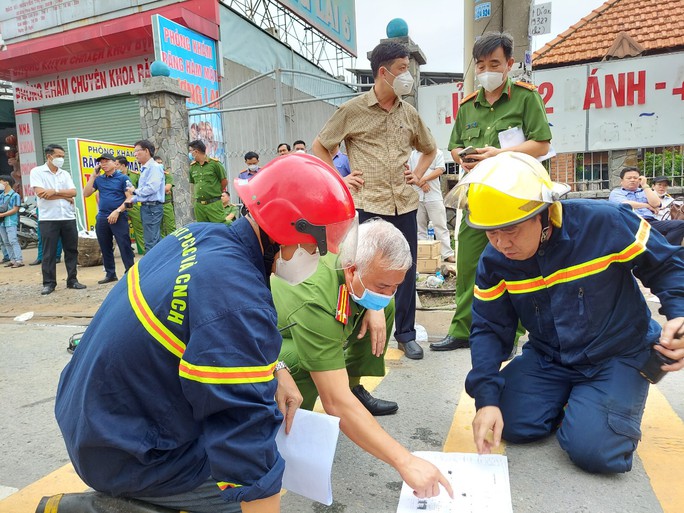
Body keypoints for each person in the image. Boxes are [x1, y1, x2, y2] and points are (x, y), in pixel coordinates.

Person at [52, 154, 364, 513]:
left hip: (91, 411)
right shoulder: (239, 298)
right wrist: (259, 493)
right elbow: (243, 440)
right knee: (241, 489)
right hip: (122, 449)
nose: (316, 258)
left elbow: (213, 326)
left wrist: (273, 368)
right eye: (314, 247)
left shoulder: (200, 235)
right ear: (287, 231)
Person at [452, 152, 684, 474]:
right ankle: (578, 401)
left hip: (617, 353)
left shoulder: (605, 223)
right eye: (491, 232)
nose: (502, 243)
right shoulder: (494, 263)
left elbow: (666, 264)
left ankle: (598, 404)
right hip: (550, 356)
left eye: (512, 230)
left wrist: (679, 313)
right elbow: (489, 328)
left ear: (544, 214)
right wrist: (486, 400)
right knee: (509, 421)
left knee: (594, 451)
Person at [273, 218, 454, 496]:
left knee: (383, 310)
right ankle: (283, 432)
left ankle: (352, 386)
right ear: (351, 270)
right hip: (270, 344)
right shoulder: (317, 299)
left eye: (395, 287)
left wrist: (377, 305)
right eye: (382, 287)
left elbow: (375, 289)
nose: (388, 294)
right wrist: (405, 461)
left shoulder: (350, 249)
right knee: (302, 364)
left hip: (333, 301)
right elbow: (335, 403)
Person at [313, 41, 437, 360]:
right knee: (364, 271)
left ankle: (405, 334)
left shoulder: (409, 114)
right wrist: (339, 180)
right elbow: (320, 146)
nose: (407, 75)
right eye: (401, 69)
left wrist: (418, 176)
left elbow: (430, 149)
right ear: (383, 72)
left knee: (404, 271)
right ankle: (359, 335)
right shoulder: (352, 110)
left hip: (404, 205)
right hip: (367, 204)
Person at [431, 31, 552, 352]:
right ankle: (461, 330)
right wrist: (465, 157)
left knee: (514, 262)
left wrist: (498, 154)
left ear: (509, 64)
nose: (487, 70)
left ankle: (509, 335)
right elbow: (454, 146)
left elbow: (542, 143)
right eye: (480, 64)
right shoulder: (469, 106)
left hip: (516, 197)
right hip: (478, 194)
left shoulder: (526, 98)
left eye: (494, 63)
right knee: (469, 262)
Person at [29, 144, 86, 295]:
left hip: (68, 217)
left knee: (71, 250)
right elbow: (41, 193)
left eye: (62, 156)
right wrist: (64, 196)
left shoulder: (64, 174)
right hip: (49, 219)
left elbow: (73, 192)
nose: (61, 159)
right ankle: (49, 283)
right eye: (59, 156)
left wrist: (54, 191)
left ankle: (72, 280)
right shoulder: (37, 172)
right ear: (49, 156)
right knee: (49, 253)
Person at [83, 153, 135, 284]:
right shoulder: (99, 179)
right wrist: (93, 175)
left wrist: (117, 211)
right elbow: (86, 193)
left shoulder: (123, 179)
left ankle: (130, 271)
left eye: (106, 161)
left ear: (114, 163)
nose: (103, 164)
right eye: (101, 162)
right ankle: (110, 273)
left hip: (119, 215)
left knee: (124, 245)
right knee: (105, 246)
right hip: (102, 217)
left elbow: (130, 198)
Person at [609, 167, 684, 245]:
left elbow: (656, 204)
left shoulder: (644, 191)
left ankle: (664, 250)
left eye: (635, 178)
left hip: (650, 222)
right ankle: (663, 250)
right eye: (629, 178)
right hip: (630, 222)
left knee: (680, 225)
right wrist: (647, 205)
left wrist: (644, 185)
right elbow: (625, 204)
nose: (632, 180)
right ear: (622, 181)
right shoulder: (616, 192)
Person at [408, 149, 455, 263]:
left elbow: (440, 170)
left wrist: (424, 179)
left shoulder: (437, 152)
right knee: (420, 227)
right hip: (417, 195)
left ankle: (447, 254)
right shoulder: (412, 155)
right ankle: (423, 255)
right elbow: (409, 173)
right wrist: (421, 183)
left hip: (433, 195)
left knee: (440, 226)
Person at [126, 140, 165, 252]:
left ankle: (152, 268)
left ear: (146, 151)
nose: (135, 154)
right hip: (147, 207)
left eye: (137, 151)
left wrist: (135, 191)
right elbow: (145, 194)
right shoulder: (145, 168)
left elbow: (152, 188)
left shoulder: (154, 167)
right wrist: (133, 199)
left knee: (150, 242)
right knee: (155, 240)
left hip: (152, 208)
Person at [189, 140, 228, 223]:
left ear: (196, 151)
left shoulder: (215, 164)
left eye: (190, 151)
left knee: (220, 227)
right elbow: (193, 184)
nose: (190, 154)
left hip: (214, 204)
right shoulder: (192, 167)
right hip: (199, 206)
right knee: (202, 230)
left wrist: (216, 191)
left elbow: (224, 181)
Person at [115, 155, 145, 255]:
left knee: (139, 227)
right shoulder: (114, 177)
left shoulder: (135, 175)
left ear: (123, 165)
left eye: (117, 165)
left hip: (133, 204)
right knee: (122, 230)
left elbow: (141, 189)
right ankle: (127, 251)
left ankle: (142, 251)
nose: (115, 167)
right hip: (120, 205)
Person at [0, 175, 24, 268]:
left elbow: (15, 209)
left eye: (1, 182)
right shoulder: (1, 196)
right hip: (2, 222)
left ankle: (19, 260)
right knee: (6, 241)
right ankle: (12, 259)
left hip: (10, 221)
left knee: (13, 240)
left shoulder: (15, 195)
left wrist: (3, 214)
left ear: (6, 182)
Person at [154, 155, 177, 237]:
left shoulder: (167, 175)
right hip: (156, 205)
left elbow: (167, 188)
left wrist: (155, 190)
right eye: (158, 163)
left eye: (161, 163)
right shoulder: (150, 176)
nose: (160, 165)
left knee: (171, 227)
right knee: (159, 229)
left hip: (166, 204)